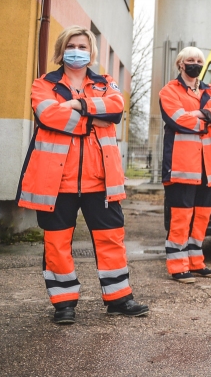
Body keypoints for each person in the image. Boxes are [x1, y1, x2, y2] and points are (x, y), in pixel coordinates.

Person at [18, 26, 149, 324]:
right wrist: (93, 117)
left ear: (91, 52)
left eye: (83, 46)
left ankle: (119, 298)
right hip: (57, 182)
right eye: (72, 45)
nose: (78, 50)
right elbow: (48, 116)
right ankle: (63, 304)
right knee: (56, 243)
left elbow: (116, 109)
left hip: (100, 180)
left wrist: (79, 105)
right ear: (62, 49)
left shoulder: (106, 83)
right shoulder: (44, 84)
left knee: (111, 239)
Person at [159, 46, 211, 283]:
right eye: (190, 59)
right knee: (180, 217)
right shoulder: (169, 91)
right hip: (182, 166)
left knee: (201, 216)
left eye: (199, 60)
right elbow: (178, 120)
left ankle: (196, 262)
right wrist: (207, 118)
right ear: (180, 64)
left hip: (209, 166)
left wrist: (200, 115)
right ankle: (177, 265)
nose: (195, 63)